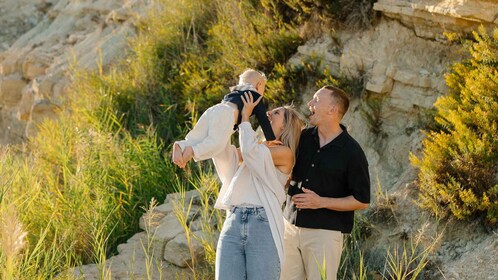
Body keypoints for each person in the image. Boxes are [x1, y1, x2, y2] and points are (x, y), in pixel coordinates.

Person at [280, 85, 371, 280]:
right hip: (288, 226)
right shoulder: (302, 138)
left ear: (332, 109)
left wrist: (321, 202)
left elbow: (362, 200)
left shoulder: (352, 152)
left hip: (323, 235)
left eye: (316, 100)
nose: (309, 104)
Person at [213, 93, 304, 280]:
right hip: (234, 219)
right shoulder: (256, 146)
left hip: (262, 224)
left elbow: (250, 153)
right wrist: (232, 121)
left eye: (276, 113)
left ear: (285, 125)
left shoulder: (285, 153)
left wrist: (246, 118)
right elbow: (225, 155)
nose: (268, 113)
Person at [172, 69, 275, 168]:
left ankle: (181, 146)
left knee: (199, 136)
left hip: (214, 109)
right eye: (264, 89)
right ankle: (192, 150)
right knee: (216, 143)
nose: (263, 93)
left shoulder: (235, 92)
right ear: (259, 85)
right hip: (226, 114)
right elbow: (263, 120)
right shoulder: (255, 96)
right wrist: (271, 139)